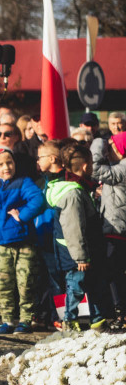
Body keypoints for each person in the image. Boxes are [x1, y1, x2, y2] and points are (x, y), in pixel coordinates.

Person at [0, 146, 46, 334]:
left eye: (9, 162)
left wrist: (23, 216)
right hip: (0, 243)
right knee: (3, 283)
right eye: (0, 164)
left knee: (25, 281)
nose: (6, 167)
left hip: (24, 242)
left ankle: (26, 319)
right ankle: (7, 320)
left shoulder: (23, 183)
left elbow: (38, 200)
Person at [40, 142, 109, 331]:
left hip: (81, 250)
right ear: (86, 166)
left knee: (90, 284)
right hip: (75, 253)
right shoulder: (72, 193)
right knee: (76, 287)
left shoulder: (78, 188)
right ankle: (69, 320)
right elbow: (74, 227)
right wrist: (80, 256)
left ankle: (97, 319)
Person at [90, 134, 126, 329]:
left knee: (114, 272)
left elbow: (94, 169)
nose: (107, 150)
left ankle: (122, 315)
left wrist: (98, 141)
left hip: (117, 228)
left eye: (111, 146)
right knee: (115, 272)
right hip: (116, 226)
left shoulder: (124, 167)